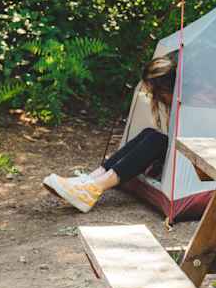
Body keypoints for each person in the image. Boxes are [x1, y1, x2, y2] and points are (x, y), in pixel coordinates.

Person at [43, 52, 177, 212]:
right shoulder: (175, 101)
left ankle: (94, 188)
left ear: (167, 87)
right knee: (151, 133)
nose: (157, 99)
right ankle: (88, 181)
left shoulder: (194, 101)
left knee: (157, 140)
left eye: (158, 94)